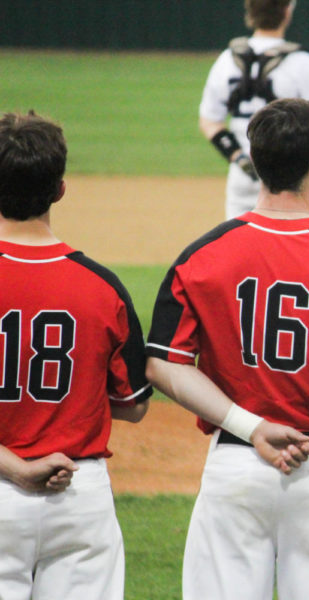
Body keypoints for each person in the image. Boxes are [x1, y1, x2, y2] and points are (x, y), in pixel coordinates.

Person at [145, 98, 309, 600]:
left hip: (235, 462)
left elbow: (163, 364)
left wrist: (251, 424)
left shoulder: (202, 255)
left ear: (254, 160)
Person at [0, 111, 151, 599]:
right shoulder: (103, 287)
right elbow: (134, 404)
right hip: (77, 496)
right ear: (60, 189)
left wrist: (16, 467)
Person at [199, 0, 309, 219]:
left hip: (243, 171)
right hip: (292, 174)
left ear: (250, 12)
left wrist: (238, 157)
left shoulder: (227, 59)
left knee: (240, 244)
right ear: (287, 12)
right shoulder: (302, 61)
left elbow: (210, 121)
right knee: (294, 242)